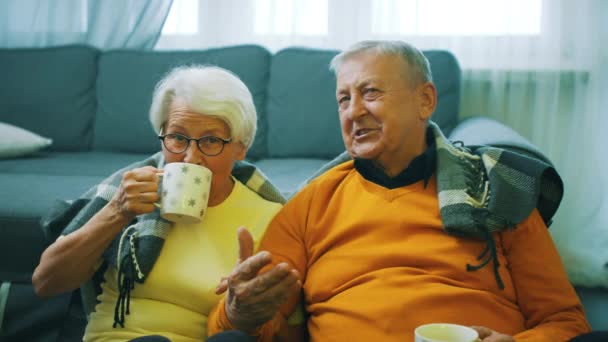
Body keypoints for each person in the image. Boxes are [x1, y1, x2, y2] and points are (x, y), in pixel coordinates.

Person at [207, 41, 599, 341]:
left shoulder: (494, 190)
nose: (353, 111)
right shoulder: (312, 203)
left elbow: (564, 320)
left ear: (425, 99)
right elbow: (255, 323)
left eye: (371, 92)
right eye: (344, 98)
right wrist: (239, 311)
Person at [32, 65, 302, 341]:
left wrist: (246, 311)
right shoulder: (129, 193)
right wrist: (116, 211)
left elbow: (296, 332)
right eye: (177, 137)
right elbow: (46, 283)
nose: (190, 158)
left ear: (241, 146)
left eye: (210, 140)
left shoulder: (271, 218)